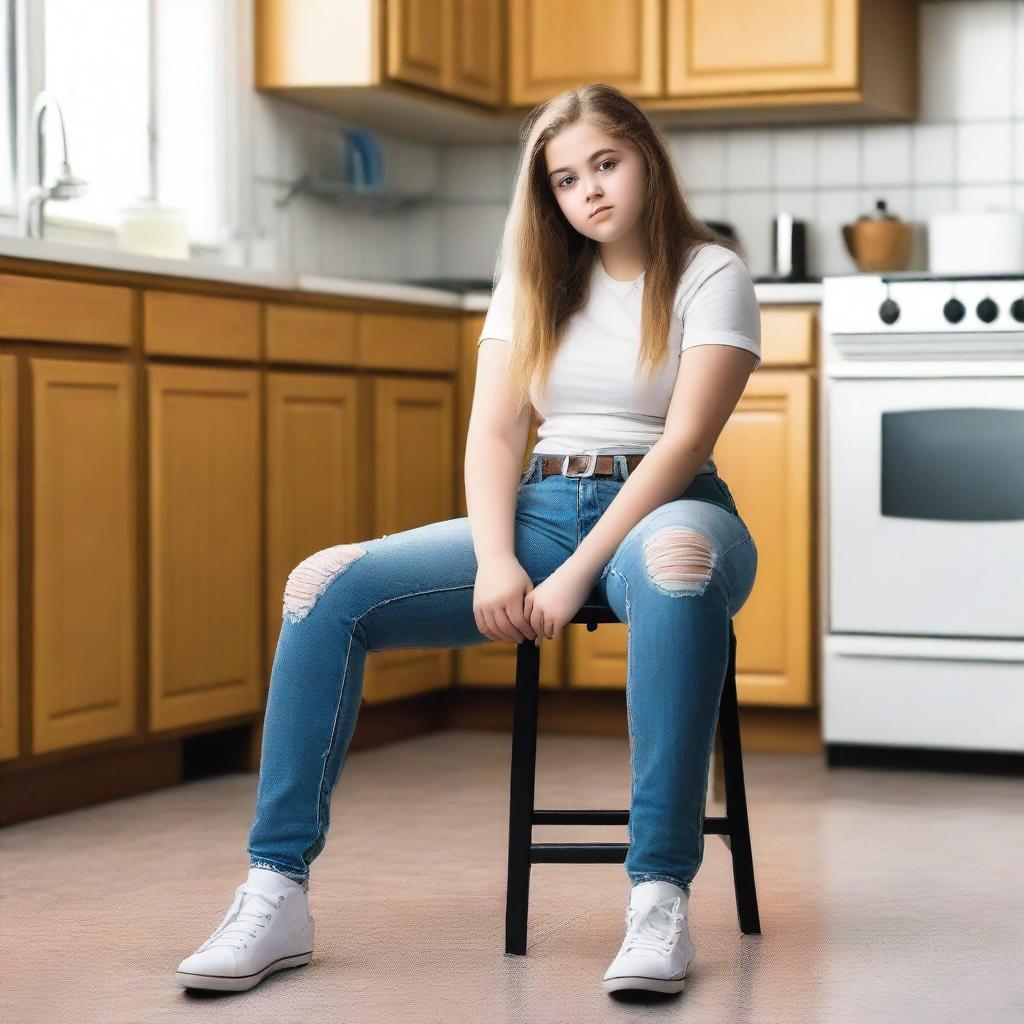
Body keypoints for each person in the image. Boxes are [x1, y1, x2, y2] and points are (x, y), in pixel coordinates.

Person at [175, 82, 760, 997]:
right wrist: (498, 557)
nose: (590, 191)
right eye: (567, 179)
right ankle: (275, 891)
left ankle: (657, 901)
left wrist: (573, 576)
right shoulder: (532, 283)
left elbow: (684, 442)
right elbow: (494, 435)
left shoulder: (709, 272)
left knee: (680, 564)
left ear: (646, 155)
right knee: (321, 586)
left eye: (606, 163)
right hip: (535, 511)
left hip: (671, 507)